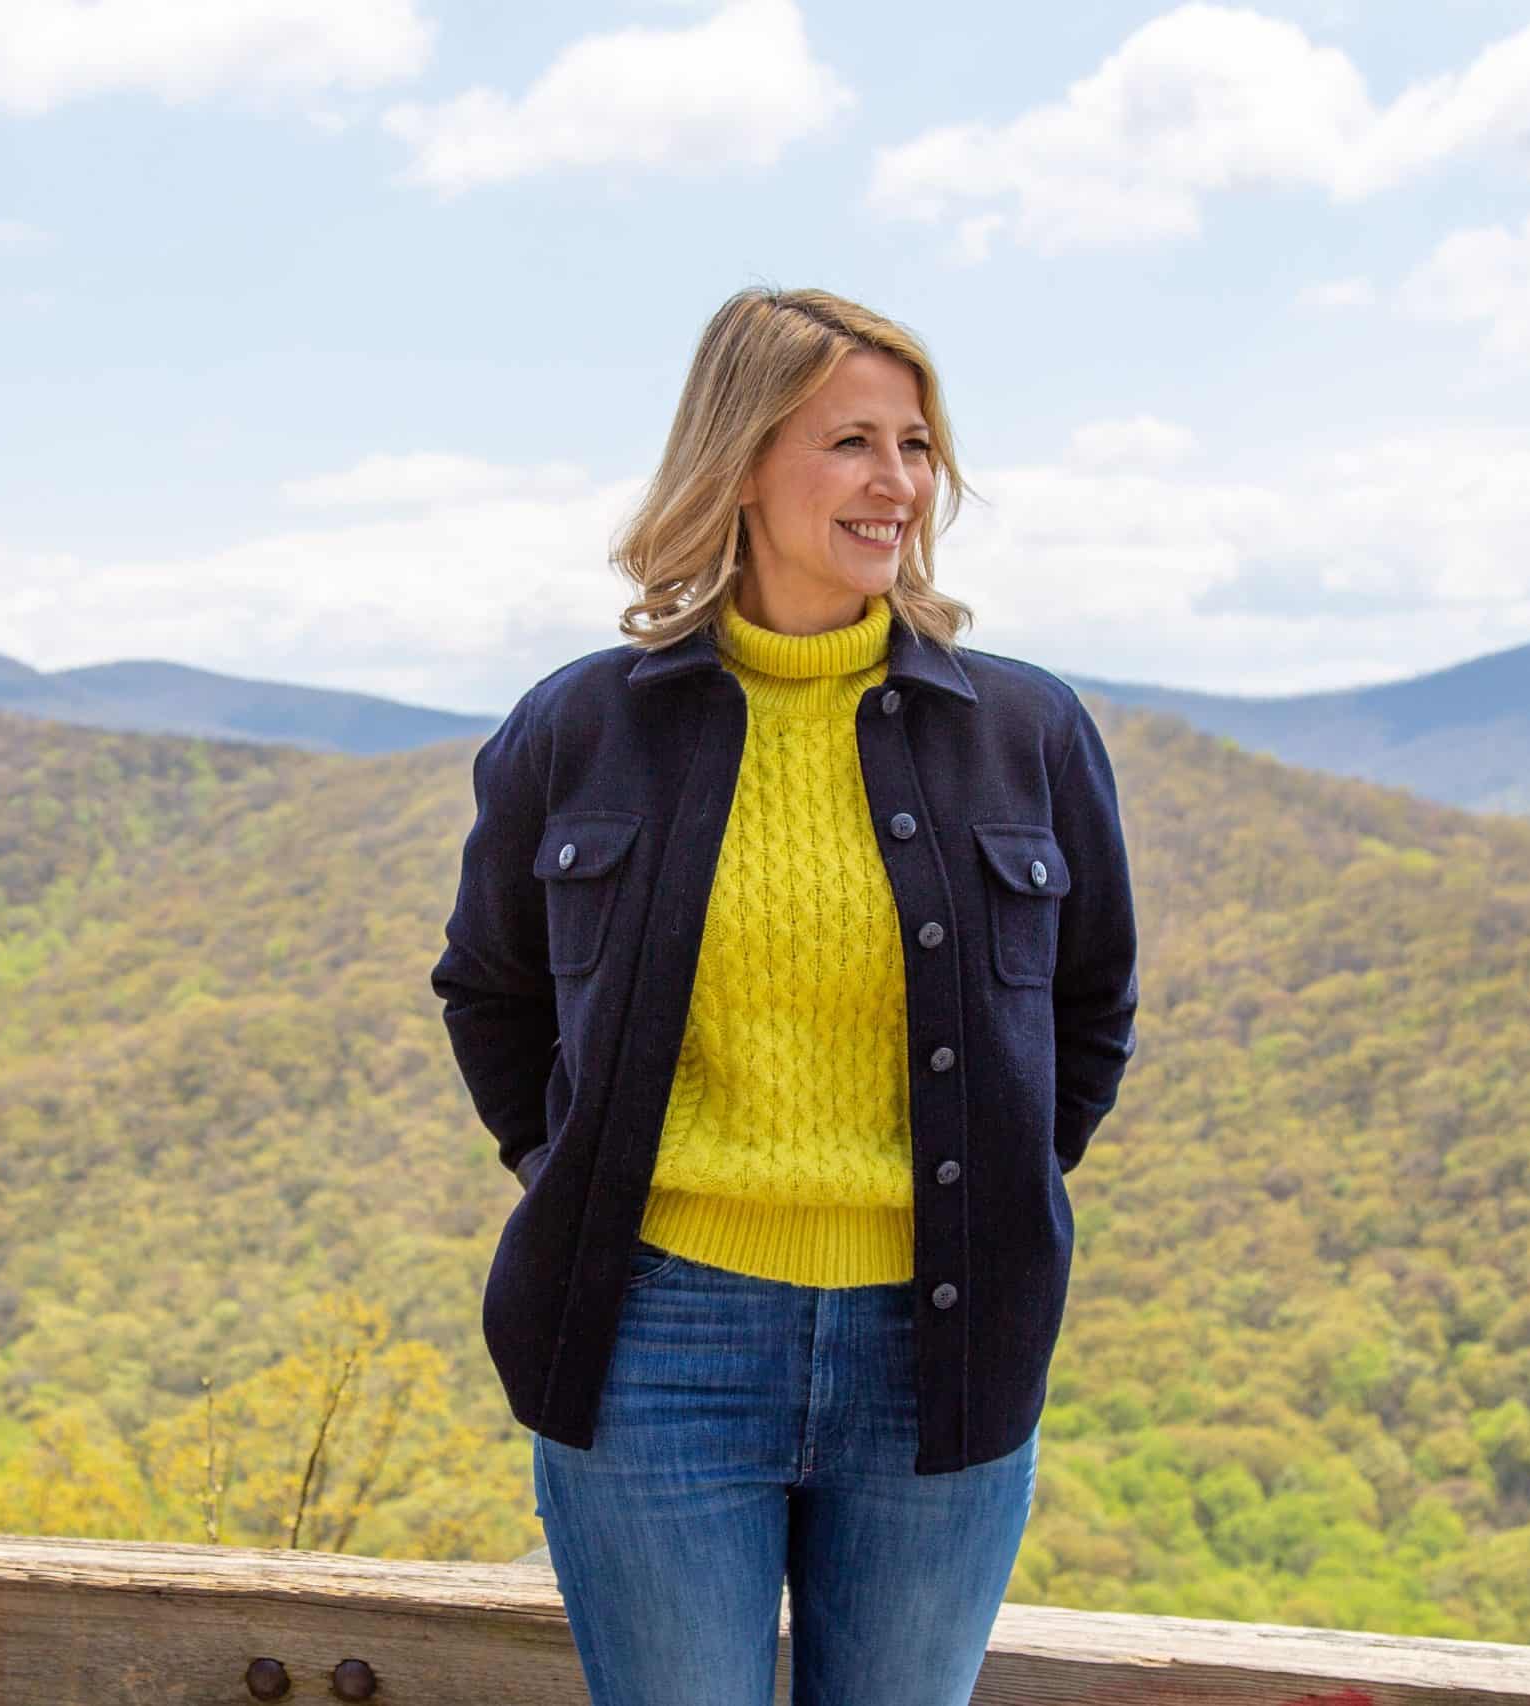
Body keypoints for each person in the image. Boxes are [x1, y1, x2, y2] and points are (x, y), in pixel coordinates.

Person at [430, 285, 1141, 1706]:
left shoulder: (1028, 732)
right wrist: (571, 1174)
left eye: (919, 445)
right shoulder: (581, 728)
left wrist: (987, 1180)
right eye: (854, 444)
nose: (901, 483)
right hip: (657, 1342)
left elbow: (1088, 1006)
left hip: (941, 1343)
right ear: (742, 460)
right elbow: (490, 992)